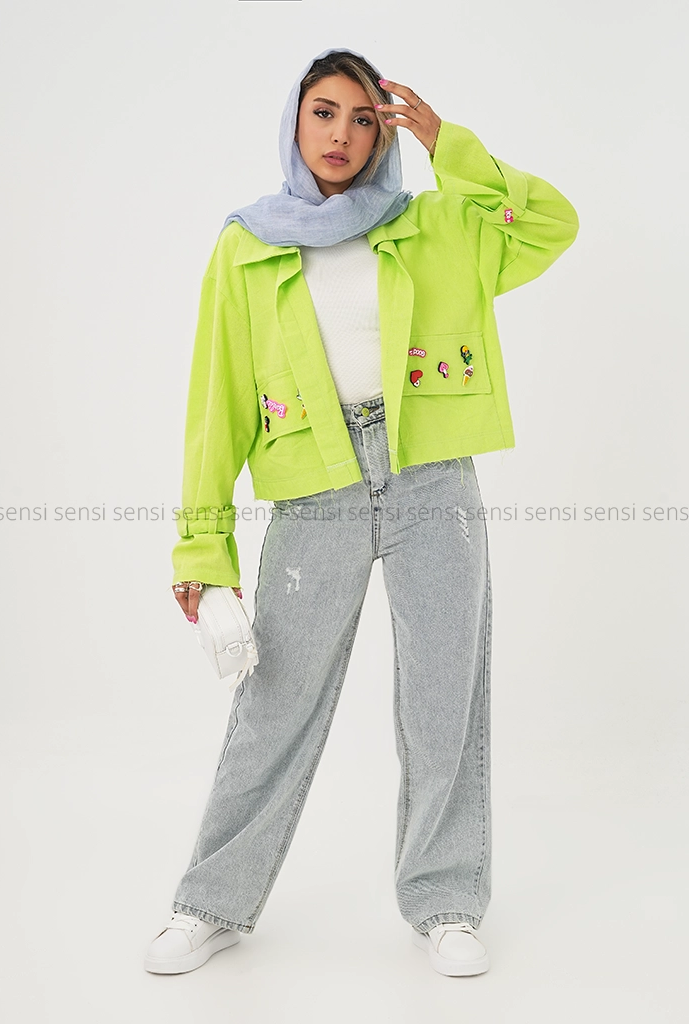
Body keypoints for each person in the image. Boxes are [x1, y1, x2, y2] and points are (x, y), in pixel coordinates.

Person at [144, 47, 579, 978]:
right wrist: (203, 553)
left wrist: (450, 146)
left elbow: (551, 223)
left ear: (385, 133)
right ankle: (210, 902)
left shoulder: (435, 223)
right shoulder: (246, 244)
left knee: (443, 700)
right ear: (295, 122)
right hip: (315, 490)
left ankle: (446, 902)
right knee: (275, 702)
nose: (341, 134)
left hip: (431, 480)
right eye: (324, 113)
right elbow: (214, 405)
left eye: (363, 118)